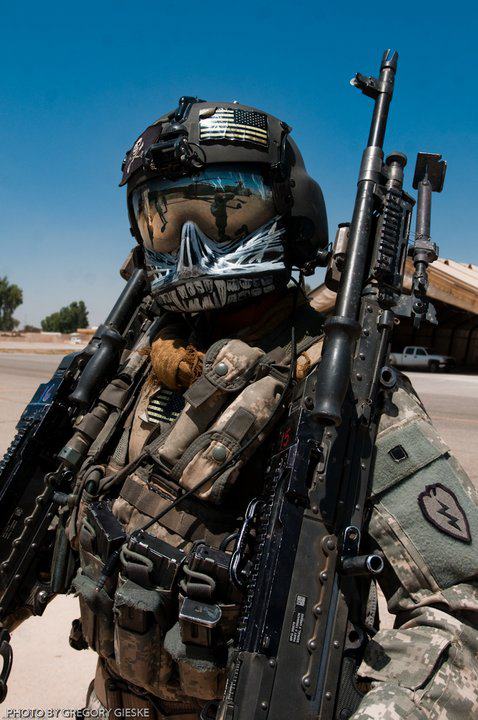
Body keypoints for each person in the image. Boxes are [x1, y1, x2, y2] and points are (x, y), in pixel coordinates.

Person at [64, 98, 478, 719]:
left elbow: (460, 608)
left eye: (225, 212)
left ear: (291, 213)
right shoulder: (135, 361)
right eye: (165, 220)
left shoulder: (341, 389)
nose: (191, 250)